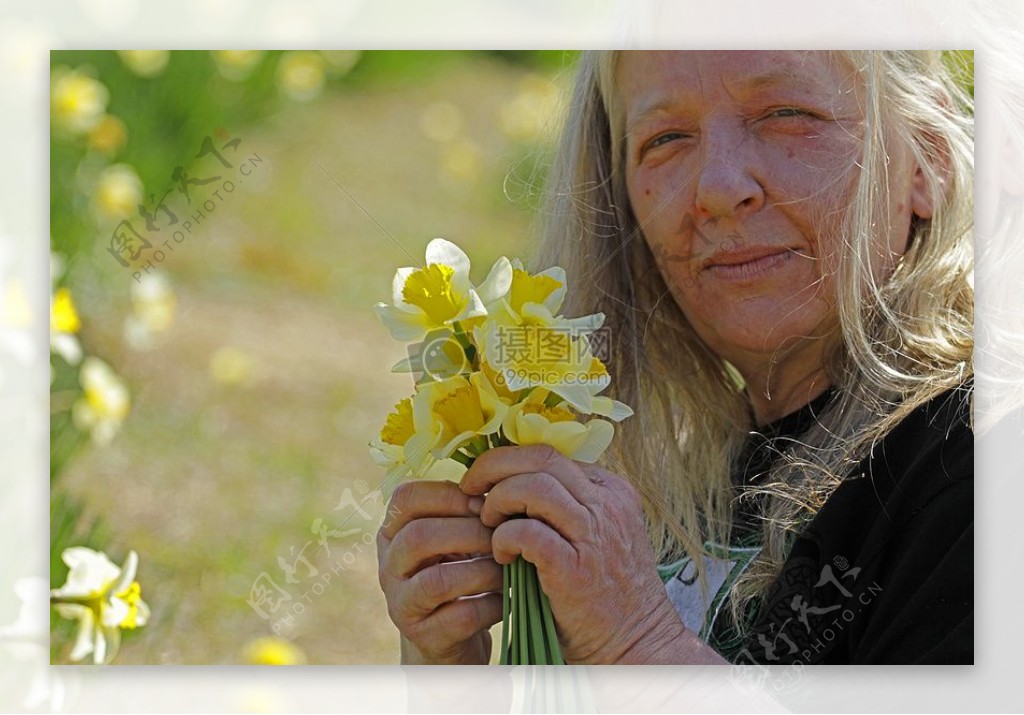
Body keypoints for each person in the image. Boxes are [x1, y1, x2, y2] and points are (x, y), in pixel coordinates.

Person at [376, 50, 974, 665]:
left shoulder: (985, 458)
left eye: (787, 112)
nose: (717, 189)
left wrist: (637, 643)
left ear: (926, 159)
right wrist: (452, 673)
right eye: (666, 138)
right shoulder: (680, 486)